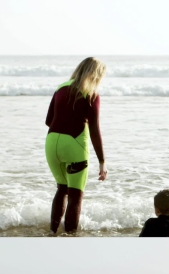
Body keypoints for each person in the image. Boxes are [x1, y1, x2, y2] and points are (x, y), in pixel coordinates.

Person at [44, 57, 107, 234]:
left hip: (51, 144)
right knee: (75, 195)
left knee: (61, 189)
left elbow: (49, 120)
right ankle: (70, 236)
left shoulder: (60, 87)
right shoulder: (92, 94)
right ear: (96, 75)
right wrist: (102, 161)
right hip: (74, 144)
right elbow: (94, 129)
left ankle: (52, 231)